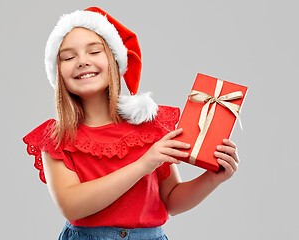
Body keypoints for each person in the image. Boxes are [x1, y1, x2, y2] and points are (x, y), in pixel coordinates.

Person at [23, 7, 240, 240]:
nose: (82, 61)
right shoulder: (56, 138)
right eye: (68, 57)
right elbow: (72, 206)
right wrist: (143, 165)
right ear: (58, 71)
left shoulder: (150, 127)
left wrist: (212, 178)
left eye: (94, 51)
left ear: (115, 60)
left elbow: (172, 201)